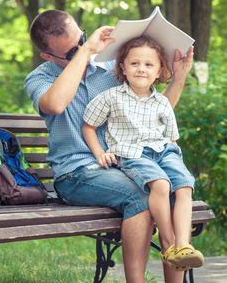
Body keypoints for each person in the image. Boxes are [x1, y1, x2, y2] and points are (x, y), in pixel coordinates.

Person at [24, 9, 194, 283]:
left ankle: (175, 260)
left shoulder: (109, 69)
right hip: (78, 172)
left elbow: (150, 115)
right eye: (71, 52)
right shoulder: (39, 78)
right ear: (48, 56)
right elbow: (55, 105)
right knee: (139, 197)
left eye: (82, 40)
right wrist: (84, 52)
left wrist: (179, 79)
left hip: (125, 162)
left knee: (170, 191)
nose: (84, 49)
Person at [82, 36, 204, 272]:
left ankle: (184, 246)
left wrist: (175, 162)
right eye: (134, 63)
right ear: (123, 68)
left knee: (184, 186)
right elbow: (89, 126)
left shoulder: (162, 102)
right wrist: (99, 153)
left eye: (149, 65)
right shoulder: (111, 97)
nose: (141, 69)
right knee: (160, 185)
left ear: (159, 71)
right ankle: (169, 246)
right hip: (133, 154)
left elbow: (171, 137)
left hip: (165, 151)